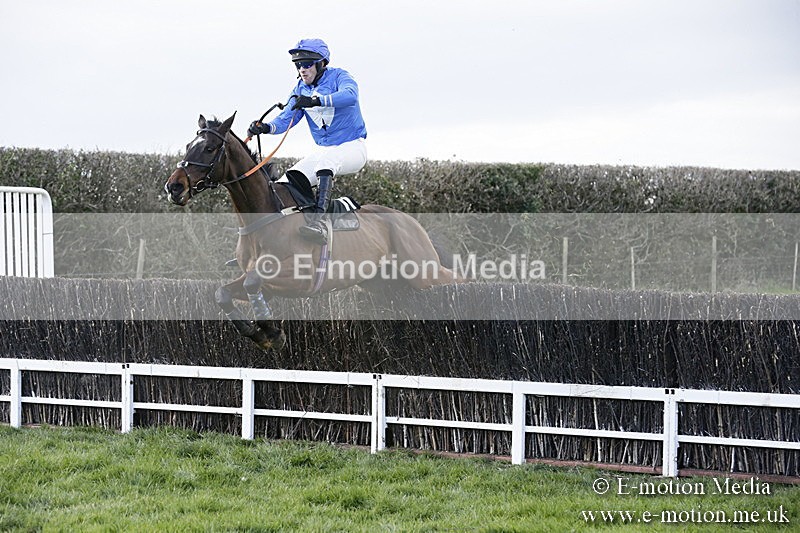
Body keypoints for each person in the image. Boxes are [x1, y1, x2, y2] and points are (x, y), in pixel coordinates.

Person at [248, 38, 367, 245]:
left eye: (307, 64)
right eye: (298, 65)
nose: (302, 69)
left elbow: (350, 96)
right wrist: (266, 127)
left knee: (327, 163)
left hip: (353, 147)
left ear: (321, 64)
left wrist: (315, 101)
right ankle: (274, 237)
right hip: (325, 151)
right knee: (286, 182)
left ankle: (318, 224)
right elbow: (286, 119)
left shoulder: (340, 76)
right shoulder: (299, 89)